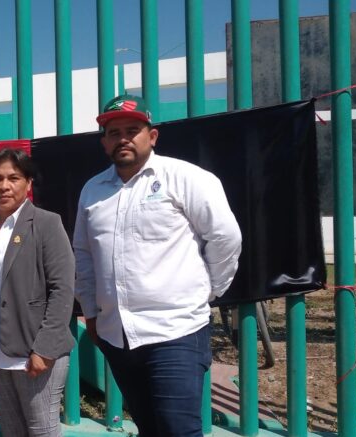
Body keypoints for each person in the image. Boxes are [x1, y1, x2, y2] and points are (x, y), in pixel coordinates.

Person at [73, 94, 242, 437]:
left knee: (178, 430)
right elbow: (84, 255)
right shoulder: (93, 190)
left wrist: (209, 290)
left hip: (175, 331)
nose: (123, 138)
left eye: (132, 130)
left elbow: (225, 237)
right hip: (117, 335)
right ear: (104, 142)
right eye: (114, 132)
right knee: (149, 428)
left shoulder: (186, 178)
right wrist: (91, 310)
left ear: (152, 136)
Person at [0, 148, 75, 436]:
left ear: (28, 183)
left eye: (14, 178)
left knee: (42, 430)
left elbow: (62, 288)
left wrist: (45, 348)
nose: (4, 186)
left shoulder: (46, 223)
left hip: (34, 351)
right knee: (12, 430)